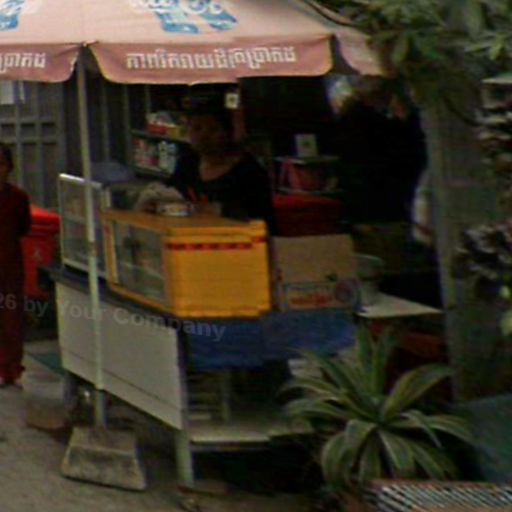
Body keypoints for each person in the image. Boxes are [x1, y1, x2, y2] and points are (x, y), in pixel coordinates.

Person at [138, 106, 276, 234]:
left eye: (213, 129)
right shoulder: (188, 162)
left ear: (228, 133)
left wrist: (210, 209)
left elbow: (257, 218)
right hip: (188, 237)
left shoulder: (249, 172)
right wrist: (156, 206)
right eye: (197, 128)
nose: (204, 136)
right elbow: (171, 192)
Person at [0, 143, 31, 387]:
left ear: (9, 167)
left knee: (12, 320)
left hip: (11, 268)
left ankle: (13, 369)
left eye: (1, 164)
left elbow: (23, 228)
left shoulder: (18, 198)